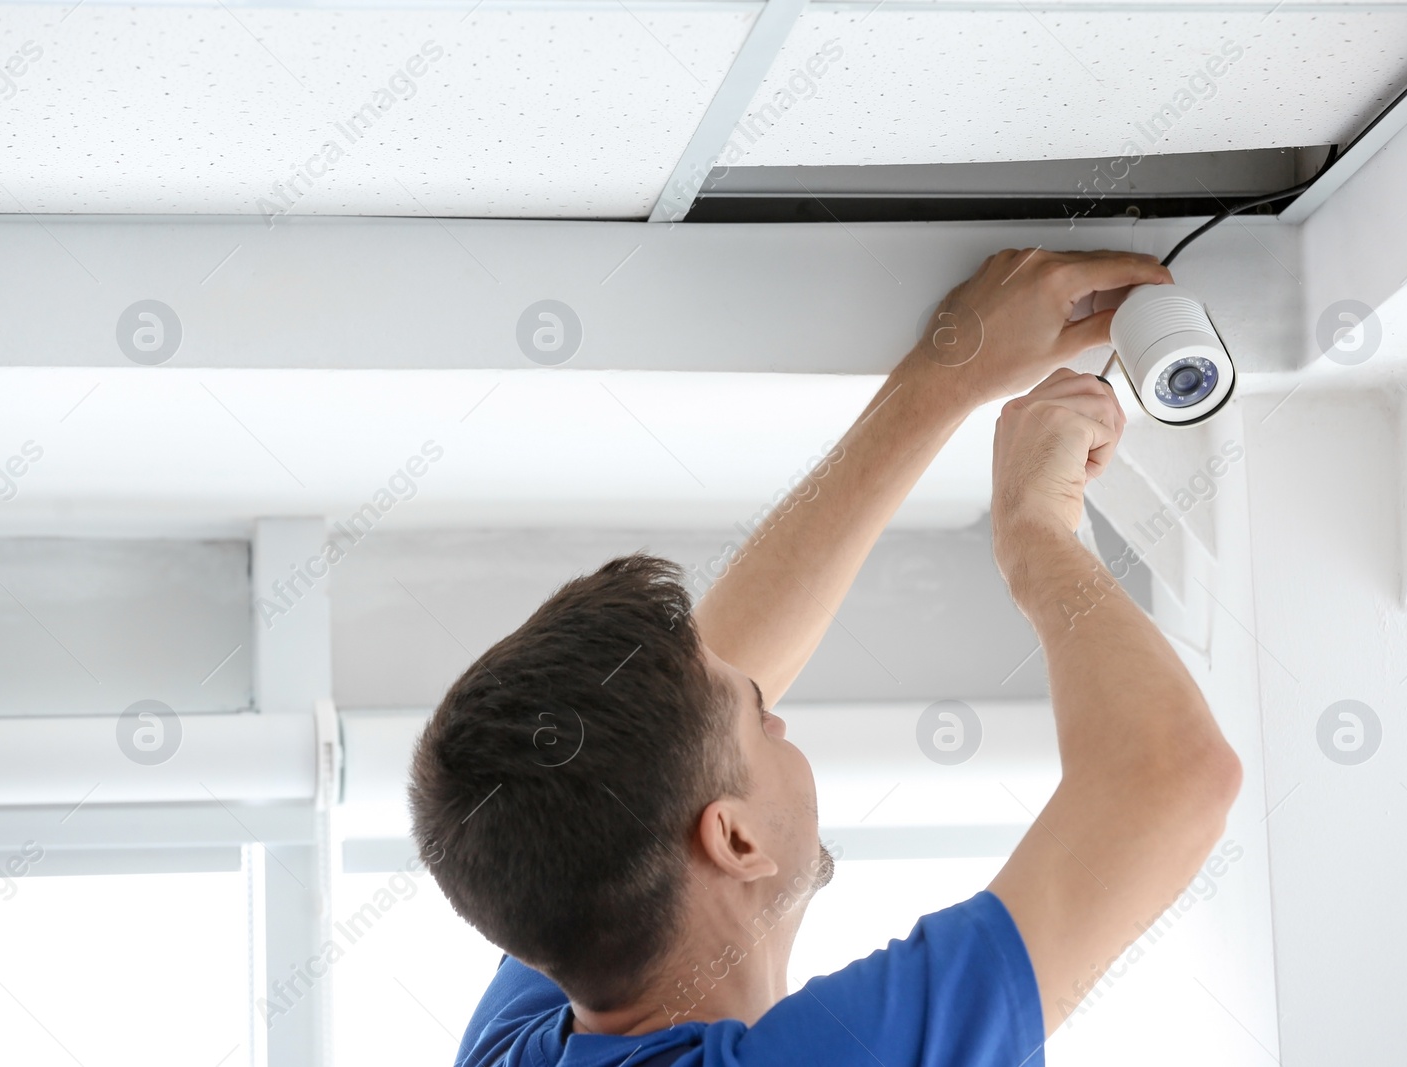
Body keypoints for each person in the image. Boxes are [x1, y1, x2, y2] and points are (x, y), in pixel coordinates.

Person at [408, 248, 1243, 1066]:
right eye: (760, 723)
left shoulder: (538, 1015)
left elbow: (687, 719)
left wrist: (947, 374)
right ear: (731, 838)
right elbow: (1169, 778)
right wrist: (1031, 533)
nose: (777, 709)